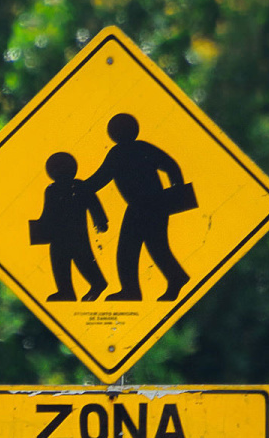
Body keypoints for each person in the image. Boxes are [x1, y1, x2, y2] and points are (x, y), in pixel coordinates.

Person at [84, 113, 195, 301]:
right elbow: (171, 166)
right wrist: (175, 192)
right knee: (154, 247)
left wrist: (176, 193)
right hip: (152, 205)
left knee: (130, 250)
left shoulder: (119, 154)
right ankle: (172, 278)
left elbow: (98, 180)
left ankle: (133, 291)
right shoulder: (139, 148)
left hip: (144, 206)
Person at [29, 152, 108, 302]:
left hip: (76, 233)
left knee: (83, 259)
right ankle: (65, 291)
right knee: (59, 261)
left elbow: (93, 204)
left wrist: (101, 221)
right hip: (59, 235)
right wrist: (41, 227)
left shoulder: (79, 187)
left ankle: (98, 283)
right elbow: (48, 211)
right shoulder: (52, 190)